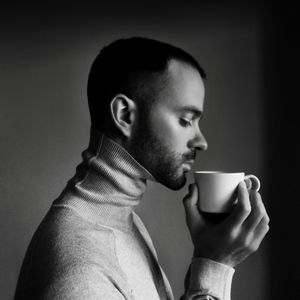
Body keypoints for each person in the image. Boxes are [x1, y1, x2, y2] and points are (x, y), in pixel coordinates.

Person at [14, 37, 270, 300]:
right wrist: (217, 268)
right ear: (125, 115)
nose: (201, 141)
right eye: (185, 120)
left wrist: (208, 259)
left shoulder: (120, 221)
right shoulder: (83, 278)